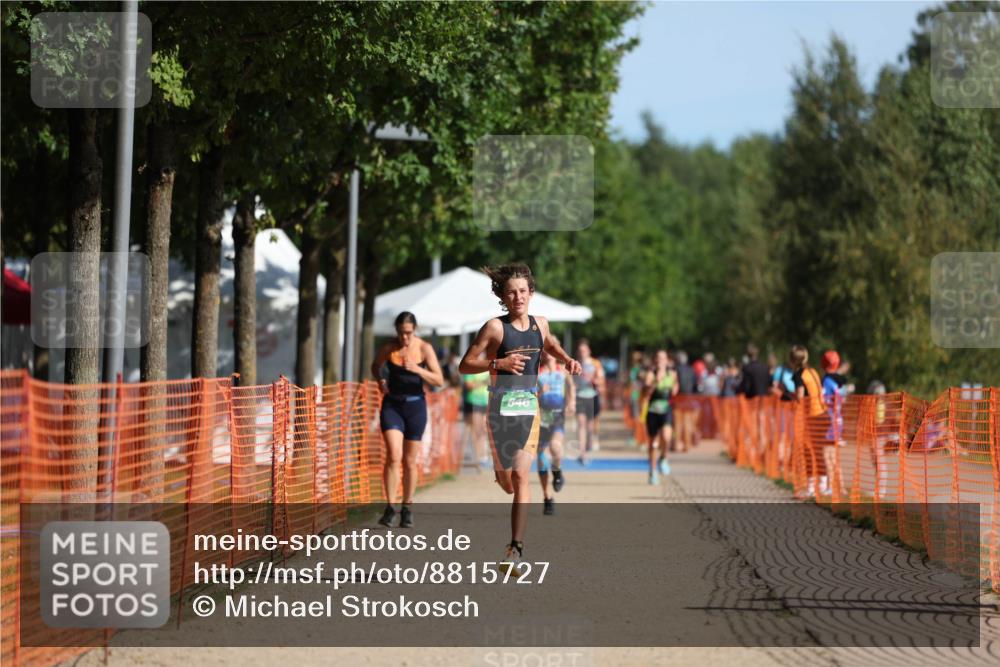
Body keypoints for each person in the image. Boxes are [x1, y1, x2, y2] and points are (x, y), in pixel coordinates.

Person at [458, 263, 581, 572]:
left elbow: (549, 343)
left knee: (521, 476)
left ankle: (516, 547)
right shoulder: (495, 328)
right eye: (511, 293)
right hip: (499, 411)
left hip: (529, 408)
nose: (518, 298)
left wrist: (566, 359)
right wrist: (498, 363)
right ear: (503, 296)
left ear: (531, 293)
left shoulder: (541, 324)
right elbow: (465, 364)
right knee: (506, 482)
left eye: (523, 291)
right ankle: (499, 474)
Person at [372, 312, 445, 528]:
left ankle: (407, 508)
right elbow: (375, 366)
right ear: (396, 330)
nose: (405, 338)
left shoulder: (424, 348)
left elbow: (439, 379)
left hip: (415, 406)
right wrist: (381, 380)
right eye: (401, 333)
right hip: (392, 405)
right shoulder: (389, 347)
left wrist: (417, 369)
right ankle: (390, 506)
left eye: (409, 333)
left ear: (415, 330)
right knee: (394, 455)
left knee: (410, 461)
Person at [536, 351, 574, 514]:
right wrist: (540, 392)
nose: (548, 353)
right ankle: (547, 498)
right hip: (541, 417)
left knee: (555, 447)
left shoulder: (563, 370)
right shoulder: (537, 372)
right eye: (545, 351)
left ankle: (557, 471)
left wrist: (571, 402)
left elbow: (571, 386)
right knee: (541, 458)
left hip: (557, 415)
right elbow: (529, 395)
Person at [790, 344, 825, 497]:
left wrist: (787, 394)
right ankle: (824, 485)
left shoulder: (799, 375)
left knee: (807, 450)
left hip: (810, 416)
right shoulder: (813, 371)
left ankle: (811, 487)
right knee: (819, 451)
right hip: (822, 413)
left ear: (792, 360)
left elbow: (799, 396)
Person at [642, 349, 679, 484]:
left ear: (667, 360)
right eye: (657, 358)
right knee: (653, 444)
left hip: (666, 409)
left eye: (662, 358)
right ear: (654, 360)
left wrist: (675, 388)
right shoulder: (650, 374)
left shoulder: (672, 373)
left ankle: (663, 458)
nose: (660, 361)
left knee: (666, 436)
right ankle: (652, 472)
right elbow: (646, 394)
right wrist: (654, 383)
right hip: (652, 410)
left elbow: (675, 388)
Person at [573, 339, 604, 465]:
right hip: (580, 396)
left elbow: (601, 380)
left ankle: (589, 443)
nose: (582, 353)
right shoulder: (575, 364)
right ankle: (582, 453)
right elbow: (572, 382)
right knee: (581, 424)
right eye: (580, 351)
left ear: (589, 351)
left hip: (592, 396)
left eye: (584, 350)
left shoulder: (595, 363)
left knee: (590, 427)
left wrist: (595, 381)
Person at [462, 356, 491, 469]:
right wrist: (483, 382)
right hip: (473, 402)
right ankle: (477, 458)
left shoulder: (487, 368)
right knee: (475, 430)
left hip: (485, 402)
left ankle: (482, 457)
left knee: (483, 430)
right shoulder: (470, 368)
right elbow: (469, 386)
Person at [672, 351, 698, 453]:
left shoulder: (675, 369)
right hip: (689, 397)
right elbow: (695, 385)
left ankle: (677, 444)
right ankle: (687, 444)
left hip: (678, 397)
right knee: (687, 422)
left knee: (678, 422)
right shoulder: (691, 370)